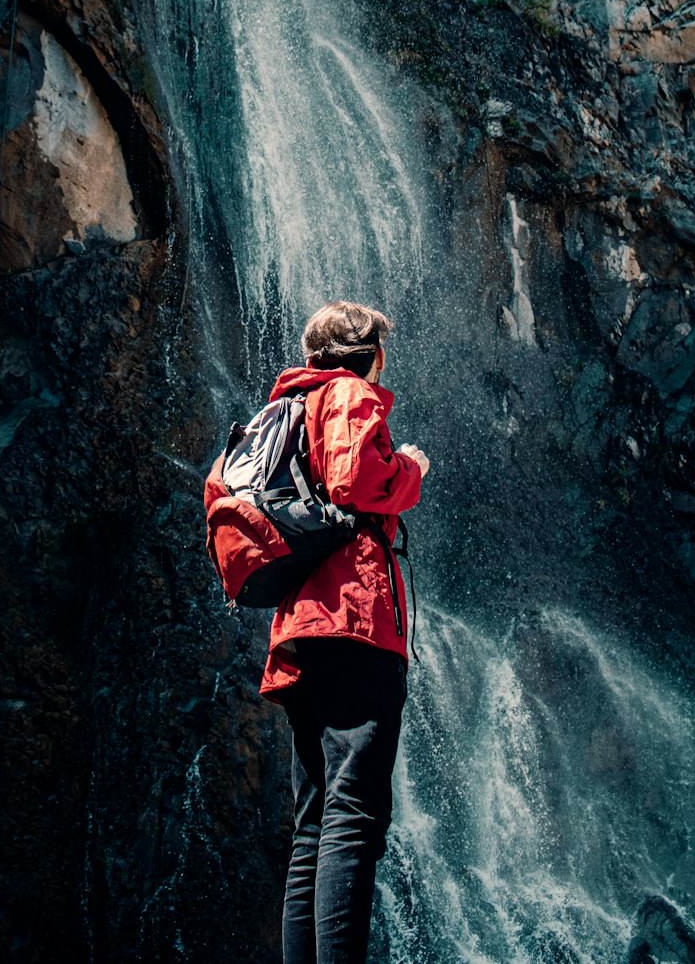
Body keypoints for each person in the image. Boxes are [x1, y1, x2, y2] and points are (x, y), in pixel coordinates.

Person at [260, 300, 430, 964]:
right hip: (354, 624)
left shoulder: (291, 409)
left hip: (300, 630)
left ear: (311, 354)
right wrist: (409, 469)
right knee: (355, 819)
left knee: (314, 824)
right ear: (372, 356)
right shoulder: (351, 396)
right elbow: (357, 480)